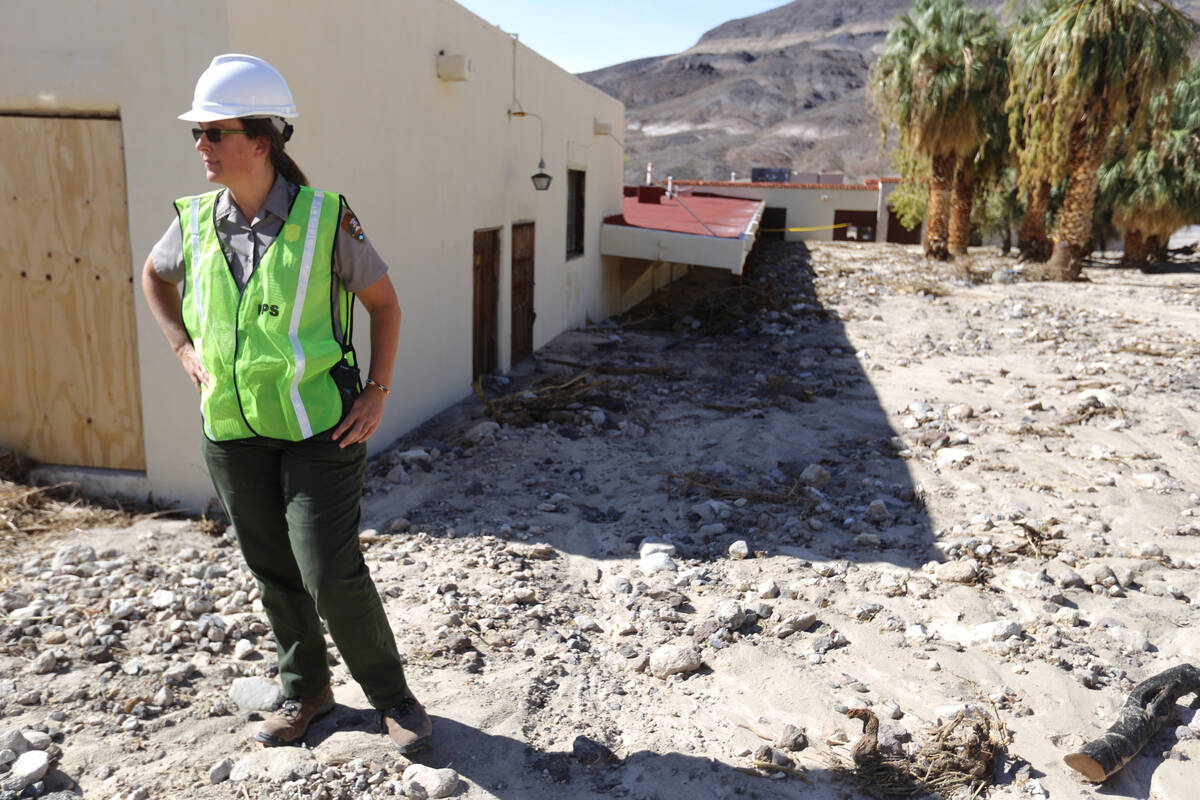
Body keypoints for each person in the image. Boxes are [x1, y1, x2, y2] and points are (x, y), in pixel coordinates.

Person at [141, 53, 431, 753]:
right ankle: (307, 690)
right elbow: (153, 276)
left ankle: (394, 698)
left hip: (318, 429)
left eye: (215, 132)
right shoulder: (195, 219)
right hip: (232, 430)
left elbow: (385, 305)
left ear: (261, 142)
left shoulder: (327, 218)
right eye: (197, 134)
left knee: (328, 570)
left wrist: (378, 391)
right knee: (272, 567)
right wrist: (182, 348)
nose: (201, 147)